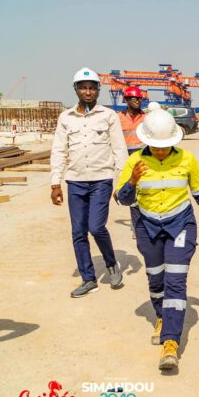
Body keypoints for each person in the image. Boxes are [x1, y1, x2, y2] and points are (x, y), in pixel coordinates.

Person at [116, 107, 199, 371]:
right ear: (146, 141)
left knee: (175, 280)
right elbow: (123, 199)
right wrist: (132, 182)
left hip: (180, 224)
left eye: (166, 145)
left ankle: (170, 342)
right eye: (156, 146)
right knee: (156, 277)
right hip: (146, 226)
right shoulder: (134, 162)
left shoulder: (187, 159)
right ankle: (161, 316)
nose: (161, 151)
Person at [50, 68, 128, 298]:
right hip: (75, 181)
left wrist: (121, 182)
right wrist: (55, 183)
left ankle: (111, 263)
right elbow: (58, 150)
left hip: (101, 180)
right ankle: (88, 278)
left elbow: (119, 149)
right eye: (83, 87)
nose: (87, 91)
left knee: (96, 227)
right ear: (76, 89)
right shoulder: (66, 118)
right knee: (78, 231)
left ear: (98, 90)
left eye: (92, 87)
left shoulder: (108, 116)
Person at [117, 86, 147, 239]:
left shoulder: (146, 118)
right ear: (126, 100)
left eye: (139, 99)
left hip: (143, 157)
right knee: (131, 193)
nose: (137, 101)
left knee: (143, 192)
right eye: (134, 99)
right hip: (125, 159)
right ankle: (137, 227)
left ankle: (144, 224)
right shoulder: (118, 118)